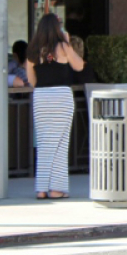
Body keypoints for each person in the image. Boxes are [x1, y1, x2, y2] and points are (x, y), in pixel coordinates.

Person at [26, 13, 84, 200]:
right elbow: (79, 66)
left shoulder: (33, 51)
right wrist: (67, 43)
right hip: (61, 96)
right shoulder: (63, 47)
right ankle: (55, 188)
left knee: (45, 142)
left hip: (41, 97)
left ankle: (43, 188)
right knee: (60, 143)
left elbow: (32, 80)